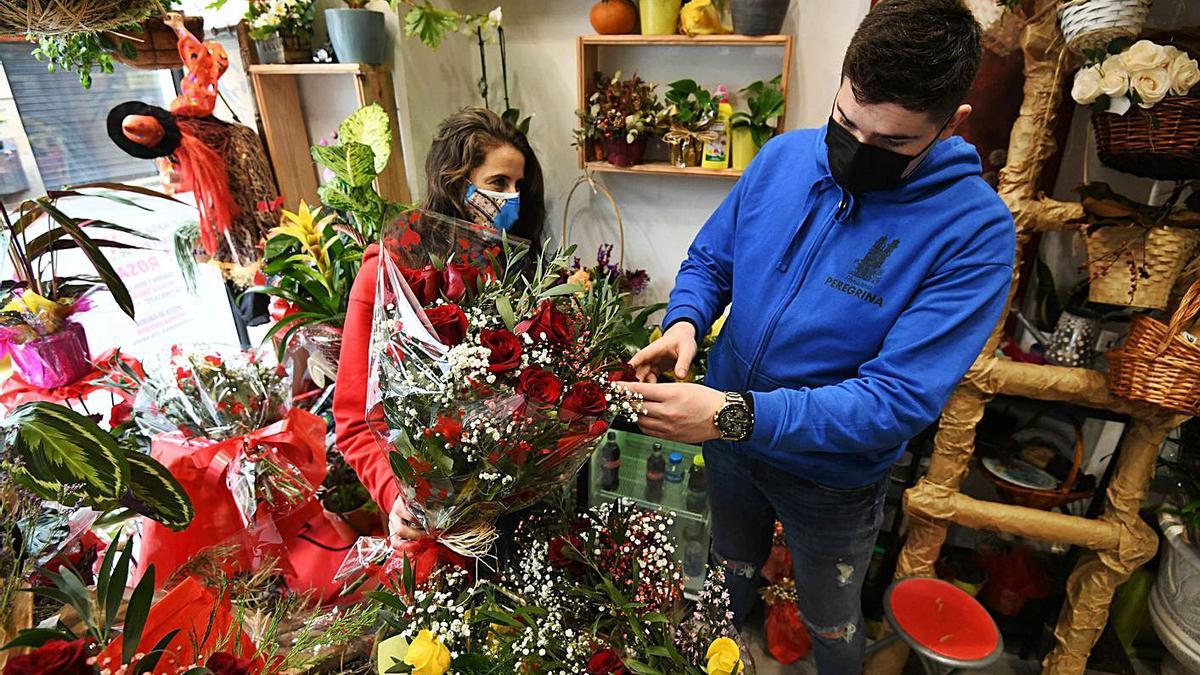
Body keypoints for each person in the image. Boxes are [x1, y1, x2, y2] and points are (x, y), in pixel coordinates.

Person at [623, 1, 1014, 672]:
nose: (855, 150)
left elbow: (894, 400)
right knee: (731, 560)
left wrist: (734, 414)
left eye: (892, 143)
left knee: (831, 617)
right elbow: (713, 259)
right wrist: (685, 321)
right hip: (726, 437)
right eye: (844, 122)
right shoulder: (782, 158)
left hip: (831, 475)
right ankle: (720, 649)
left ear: (952, 124)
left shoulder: (975, 233)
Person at [333, 108, 546, 546]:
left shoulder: (514, 266)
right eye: (498, 184)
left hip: (511, 511)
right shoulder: (392, 266)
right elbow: (355, 418)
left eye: (519, 186)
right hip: (429, 519)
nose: (512, 198)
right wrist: (397, 498)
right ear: (455, 182)